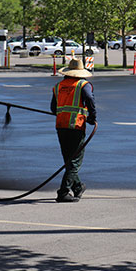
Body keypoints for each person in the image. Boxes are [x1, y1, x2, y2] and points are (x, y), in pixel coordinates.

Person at [51, 58, 96, 203]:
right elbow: (89, 98)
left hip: (61, 126)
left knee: (69, 159)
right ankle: (63, 192)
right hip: (76, 126)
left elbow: (53, 108)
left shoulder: (58, 86)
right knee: (74, 162)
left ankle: (77, 187)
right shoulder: (83, 85)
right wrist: (92, 116)